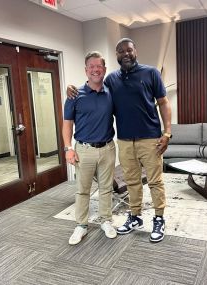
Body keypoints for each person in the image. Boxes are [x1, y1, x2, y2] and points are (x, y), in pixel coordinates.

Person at [67, 38, 172, 243]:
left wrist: (167, 133)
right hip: (123, 140)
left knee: (155, 181)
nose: (126, 54)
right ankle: (135, 216)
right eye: (121, 51)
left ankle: (159, 218)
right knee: (132, 181)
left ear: (135, 51)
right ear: (116, 56)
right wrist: (71, 88)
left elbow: (163, 102)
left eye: (129, 50)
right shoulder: (111, 79)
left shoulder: (151, 73)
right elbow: (93, 87)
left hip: (150, 139)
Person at [62, 51, 117, 245]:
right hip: (83, 150)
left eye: (99, 66)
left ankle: (106, 221)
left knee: (106, 189)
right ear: (86, 70)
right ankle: (81, 226)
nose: (95, 70)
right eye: (91, 66)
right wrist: (68, 148)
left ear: (104, 69)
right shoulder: (75, 94)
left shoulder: (111, 92)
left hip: (108, 148)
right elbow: (67, 123)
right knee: (83, 190)